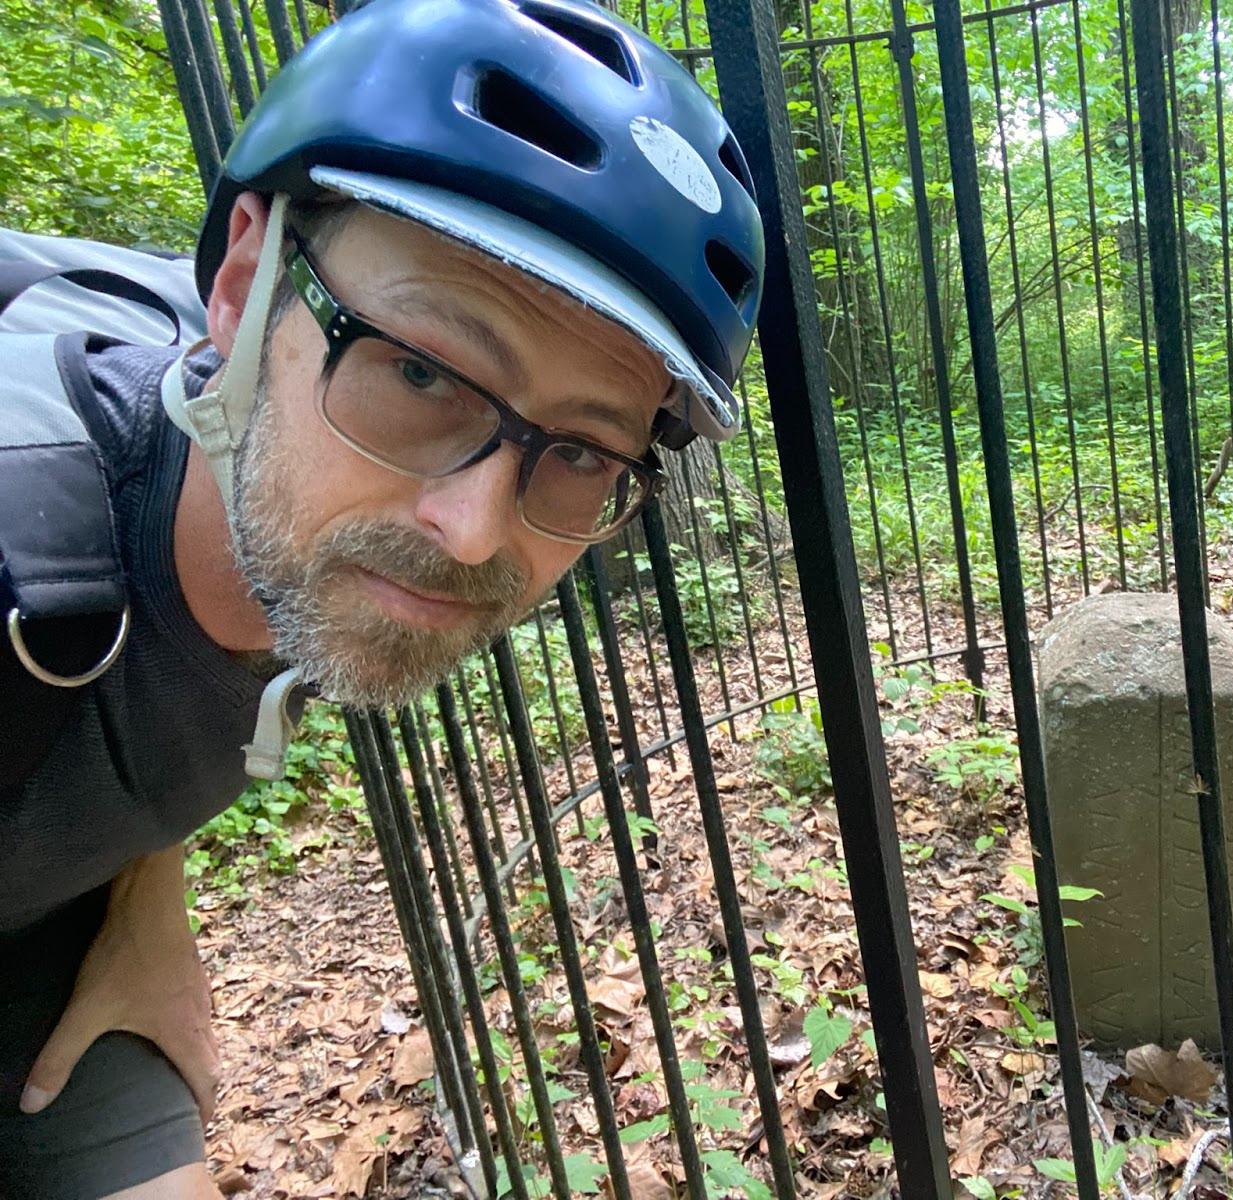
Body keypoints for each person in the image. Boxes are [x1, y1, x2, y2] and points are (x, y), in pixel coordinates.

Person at [0, 0, 764, 1194]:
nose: (473, 531)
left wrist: (144, 886)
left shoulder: (268, 455)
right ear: (243, 283)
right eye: (419, 372)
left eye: (578, 450)